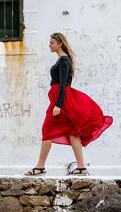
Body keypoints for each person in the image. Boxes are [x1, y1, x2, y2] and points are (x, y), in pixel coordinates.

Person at [27, 32, 112, 176]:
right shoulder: (62, 60)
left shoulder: (64, 60)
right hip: (61, 99)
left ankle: (40, 167)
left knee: (47, 130)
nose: (49, 45)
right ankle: (81, 167)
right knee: (72, 132)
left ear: (60, 44)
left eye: (52, 42)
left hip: (61, 100)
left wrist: (58, 105)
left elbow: (63, 85)